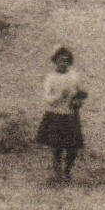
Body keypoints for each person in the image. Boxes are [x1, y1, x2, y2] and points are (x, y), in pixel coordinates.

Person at [35, 47, 87, 183]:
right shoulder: (50, 77)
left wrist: (78, 101)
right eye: (60, 60)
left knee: (73, 148)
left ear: (69, 62)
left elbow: (80, 93)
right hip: (56, 115)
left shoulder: (74, 76)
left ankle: (67, 171)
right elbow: (47, 99)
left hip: (70, 115)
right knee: (56, 147)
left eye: (66, 60)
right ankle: (57, 173)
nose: (63, 63)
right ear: (55, 61)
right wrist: (59, 95)